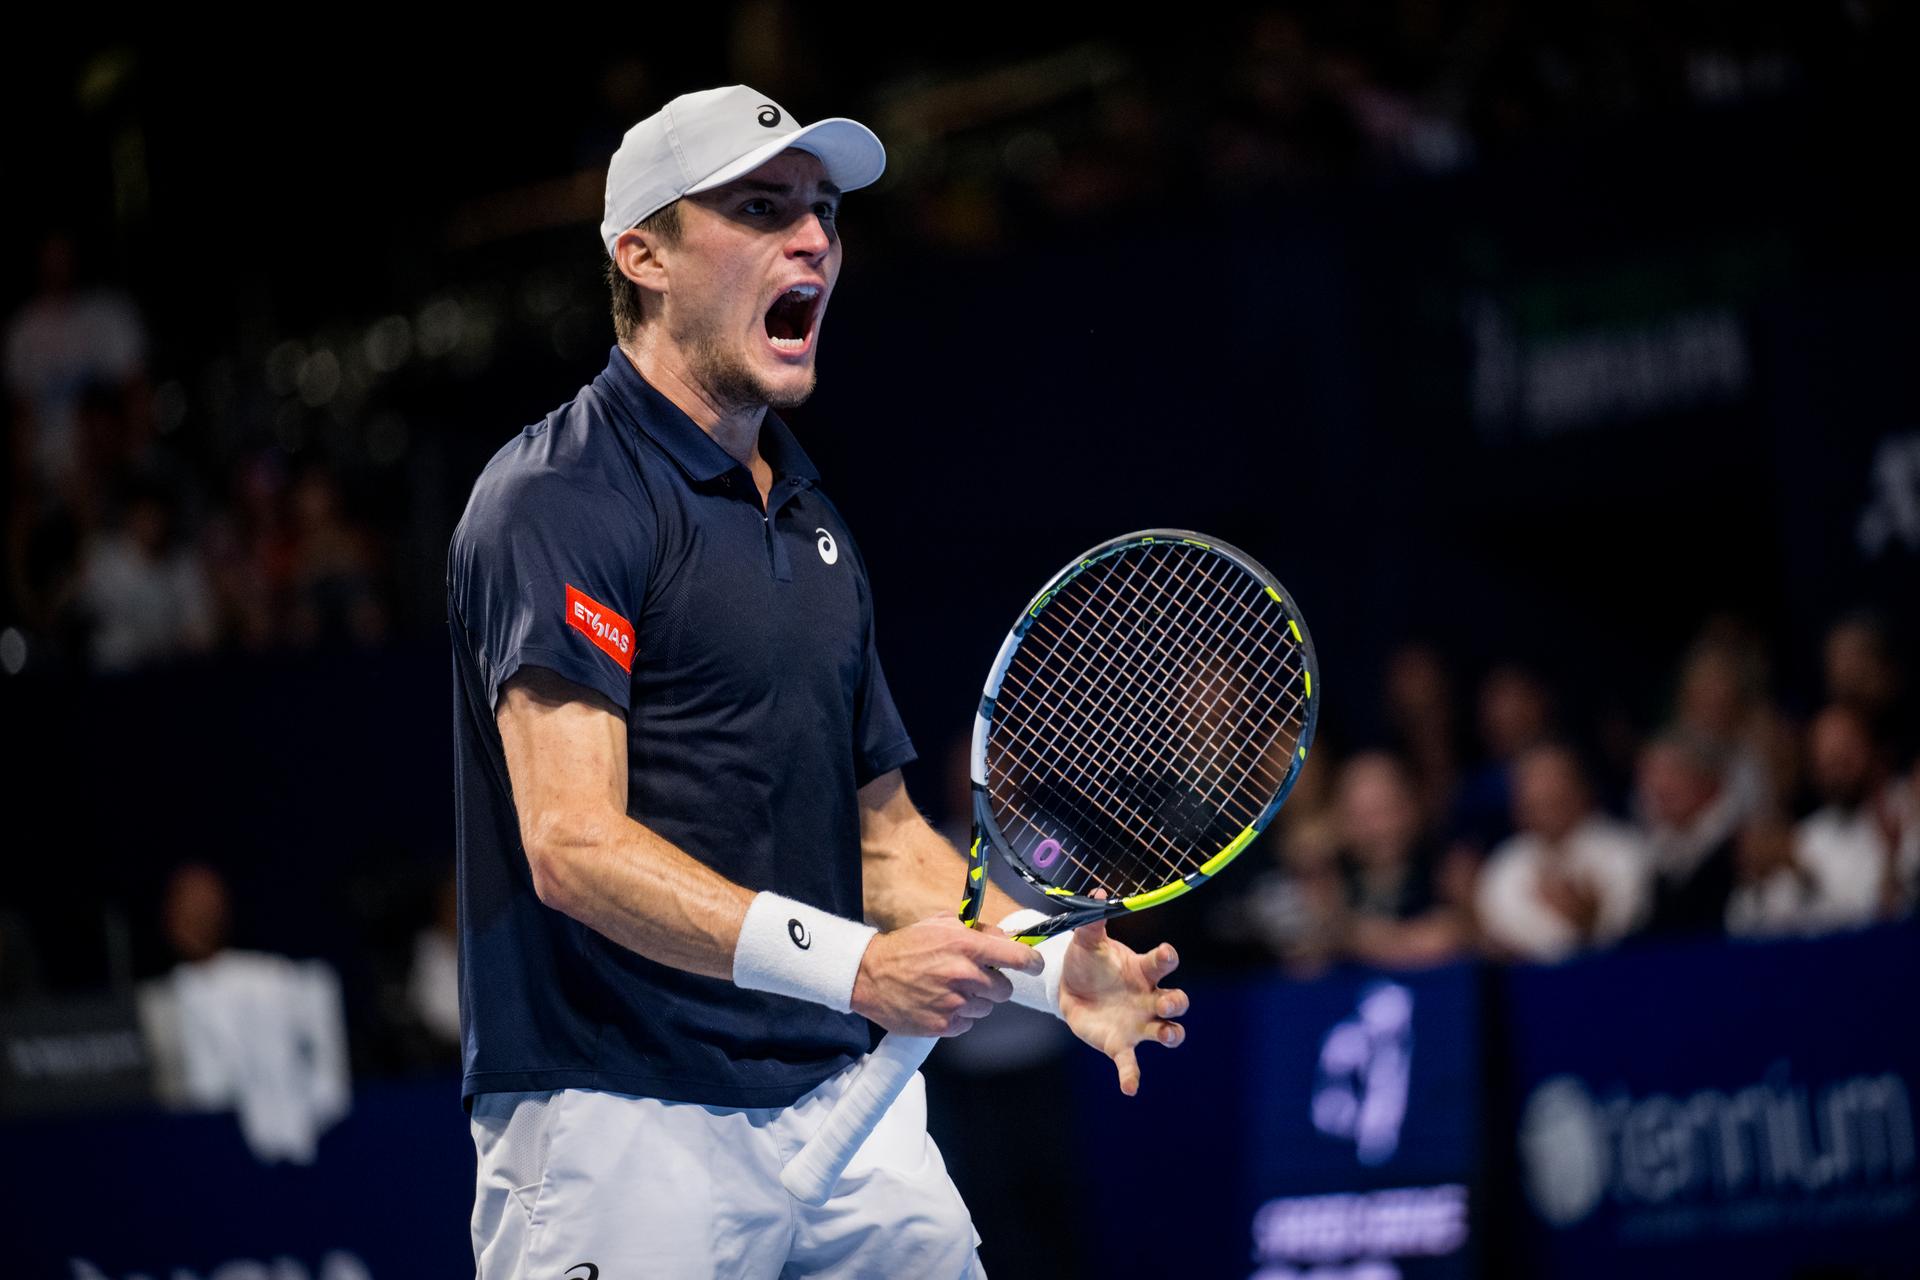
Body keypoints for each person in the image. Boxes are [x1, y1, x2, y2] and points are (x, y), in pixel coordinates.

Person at [447, 85, 1188, 1278]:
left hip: (844, 1114)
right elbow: (572, 844)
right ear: (642, 253)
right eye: (761, 207)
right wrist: (853, 966)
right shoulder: (558, 498)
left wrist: (1056, 970)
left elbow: (883, 840)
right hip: (620, 1115)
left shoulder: (811, 523)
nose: (813, 241)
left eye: (824, 212)